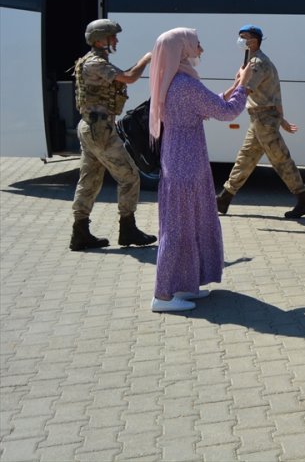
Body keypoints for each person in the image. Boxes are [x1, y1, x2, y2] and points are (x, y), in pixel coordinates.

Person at [148, 28, 251, 313]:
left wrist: (231, 88)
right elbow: (226, 112)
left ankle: (184, 285)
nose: (200, 50)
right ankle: (163, 296)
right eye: (195, 45)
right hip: (187, 165)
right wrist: (243, 86)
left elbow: (207, 106)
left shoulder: (174, 81)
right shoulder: (185, 85)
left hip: (180, 162)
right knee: (178, 230)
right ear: (181, 49)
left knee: (187, 226)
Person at [69, 19, 157, 252]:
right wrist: (145, 60)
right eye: (112, 36)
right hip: (101, 131)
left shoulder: (91, 61)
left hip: (92, 128)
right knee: (129, 177)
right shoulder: (96, 63)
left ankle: (80, 233)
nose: (115, 40)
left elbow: (121, 76)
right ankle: (127, 229)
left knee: (89, 180)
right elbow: (129, 77)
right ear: (99, 39)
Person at [216, 25, 305, 218]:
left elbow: (245, 90)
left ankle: (304, 200)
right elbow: (275, 94)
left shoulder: (257, 64)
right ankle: (224, 199)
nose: (240, 41)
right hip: (260, 118)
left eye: (243, 38)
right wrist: (282, 119)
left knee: (281, 160)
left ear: (253, 41)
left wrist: (236, 81)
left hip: (263, 119)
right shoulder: (257, 61)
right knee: (245, 159)